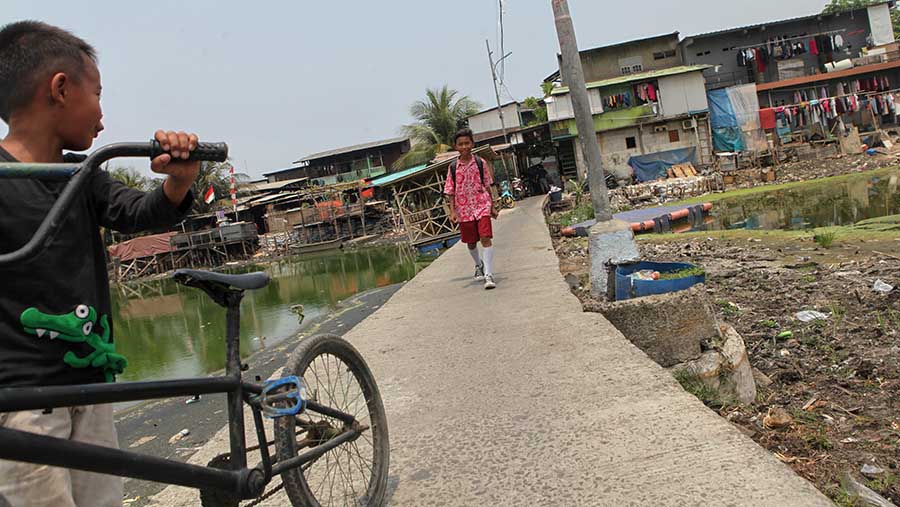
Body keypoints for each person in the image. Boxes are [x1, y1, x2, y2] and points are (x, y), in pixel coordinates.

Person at [0, 21, 202, 507]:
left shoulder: (83, 173)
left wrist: (177, 182)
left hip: (89, 383)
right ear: (61, 90)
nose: (103, 119)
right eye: (98, 95)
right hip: (20, 399)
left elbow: (138, 212)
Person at [444, 128, 499, 290]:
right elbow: (450, 191)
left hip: (482, 205)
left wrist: (493, 205)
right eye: (460, 144)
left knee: (485, 238)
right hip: (464, 210)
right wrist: (452, 211)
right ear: (456, 147)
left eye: (467, 143)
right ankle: (478, 265)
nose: (464, 146)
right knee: (471, 242)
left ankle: (488, 274)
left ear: (472, 144)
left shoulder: (480, 163)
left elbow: (487, 185)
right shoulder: (453, 167)